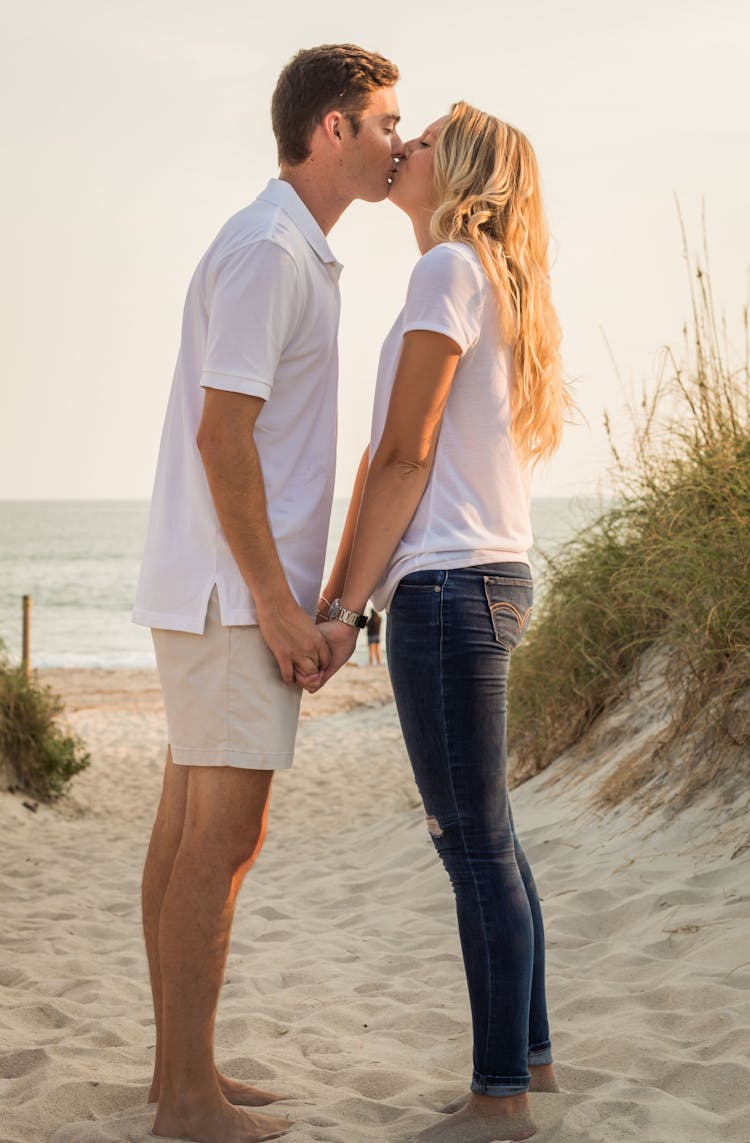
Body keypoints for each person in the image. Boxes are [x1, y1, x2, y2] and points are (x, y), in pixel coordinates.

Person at [132, 45, 401, 1143]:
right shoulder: (269, 253)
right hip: (229, 599)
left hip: (215, 592)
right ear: (331, 128)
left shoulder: (287, 248)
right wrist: (282, 607)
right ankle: (188, 1098)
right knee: (222, 839)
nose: (399, 138)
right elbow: (220, 435)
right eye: (386, 120)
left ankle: (177, 1077)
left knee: (196, 830)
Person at [306, 103, 571, 1142]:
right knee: (492, 842)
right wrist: (352, 599)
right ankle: (531, 1065)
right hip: (491, 577)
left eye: (423, 139)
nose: (403, 145)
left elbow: (404, 459)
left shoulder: (448, 269)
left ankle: (499, 1096)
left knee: (471, 848)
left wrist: (343, 611)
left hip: (452, 589)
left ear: (458, 171)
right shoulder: (486, 277)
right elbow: (392, 460)